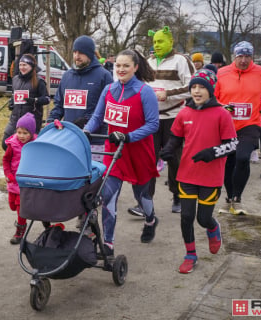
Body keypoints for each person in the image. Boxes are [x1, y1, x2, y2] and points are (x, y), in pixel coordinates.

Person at [160, 69, 237, 273]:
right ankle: (190, 255)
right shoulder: (184, 112)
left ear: (210, 90)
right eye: (193, 87)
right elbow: (176, 137)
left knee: (202, 218)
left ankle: (213, 227)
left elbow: (232, 145)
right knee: (186, 216)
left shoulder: (222, 114)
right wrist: (168, 149)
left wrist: (213, 152)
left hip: (211, 177)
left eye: (202, 86)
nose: (196, 91)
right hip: (187, 174)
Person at [84, 49, 160, 256]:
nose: (121, 69)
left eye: (126, 65)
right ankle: (108, 244)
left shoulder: (145, 92)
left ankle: (151, 219)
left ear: (135, 67)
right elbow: (97, 117)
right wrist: (86, 131)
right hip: (113, 153)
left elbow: (153, 124)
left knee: (142, 195)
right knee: (108, 195)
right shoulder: (108, 89)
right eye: (118, 65)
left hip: (139, 152)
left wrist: (129, 137)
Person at [127, 26, 194, 216]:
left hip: (174, 118)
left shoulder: (181, 61)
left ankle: (178, 196)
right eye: (154, 42)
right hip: (151, 119)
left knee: (175, 159)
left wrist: (169, 94)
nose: (156, 45)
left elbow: (194, 86)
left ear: (170, 42)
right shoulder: (147, 62)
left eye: (160, 41)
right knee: (148, 160)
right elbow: (139, 85)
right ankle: (145, 203)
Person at [47, 35, 113, 228]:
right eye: (75, 52)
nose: (77, 56)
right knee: (74, 179)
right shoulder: (67, 76)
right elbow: (59, 105)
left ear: (90, 54)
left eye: (81, 53)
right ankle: (81, 212)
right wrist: (52, 121)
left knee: (92, 182)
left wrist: (86, 123)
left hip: (96, 138)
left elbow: (105, 108)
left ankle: (90, 218)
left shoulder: (103, 76)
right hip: (71, 138)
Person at [214, 41, 261, 215]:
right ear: (234, 56)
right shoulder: (222, 73)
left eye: (247, 56)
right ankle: (229, 198)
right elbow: (214, 96)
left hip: (250, 124)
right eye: (240, 56)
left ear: (252, 57)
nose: (244, 60)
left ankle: (237, 199)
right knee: (228, 162)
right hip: (226, 125)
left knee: (242, 157)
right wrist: (221, 107)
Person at [1, 53, 49, 150]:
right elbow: (14, 95)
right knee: (5, 144)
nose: (22, 67)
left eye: (25, 65)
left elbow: (47, 99)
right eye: (20, 65)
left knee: (26, 149)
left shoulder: (39, 81)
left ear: (31, 66)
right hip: (15, 119)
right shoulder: (15, 79)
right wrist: (12, 102)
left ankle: (23, 164)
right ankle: (14, 163)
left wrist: (34, 100)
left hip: (31, 121)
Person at [3, 112, 37, 244]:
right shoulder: (12, 144)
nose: (21, 136)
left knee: (19, 208)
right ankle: (22, 221)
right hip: (13, 180)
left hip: (25, 183)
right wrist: (8, 174)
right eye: (19, 132)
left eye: (25, 133)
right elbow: (6, 160)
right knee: (12, 205)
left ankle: (19, 232)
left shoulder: (35, 145)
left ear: (32, 133)